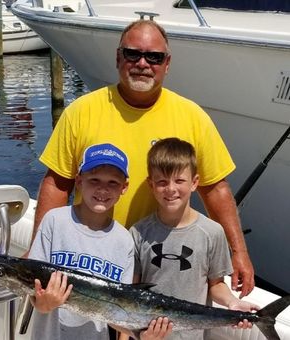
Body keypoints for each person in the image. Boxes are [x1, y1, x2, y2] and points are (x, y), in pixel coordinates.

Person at [33, 19, 254, 296]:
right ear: (118, 57)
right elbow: (57, 183)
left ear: (167, 63)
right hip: (90, 259)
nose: (142, 63)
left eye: (154, 57)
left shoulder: (193, 117)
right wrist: (37, 256)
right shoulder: (81, 112)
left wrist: (239, 252)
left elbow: (216, 189)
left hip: (158, 265)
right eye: (132, 53)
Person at [29, 142, 171, 340]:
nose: (103, 189)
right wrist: (44, 304)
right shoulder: (55, 221)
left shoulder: (124, 241)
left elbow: (119, 312)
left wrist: (142, 336)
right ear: (79, 181)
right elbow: (34, 289)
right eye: (94, 180)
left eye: (112, 182)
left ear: (124, 187)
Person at [127, 138, 259, 340]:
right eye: (162, 182)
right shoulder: (138, 233)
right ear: (151, 185)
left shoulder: (213, 232)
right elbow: (129, 296)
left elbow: (215, 285)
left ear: (194, 183)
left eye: (179, 181)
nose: (171, 189)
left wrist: (232, 303)